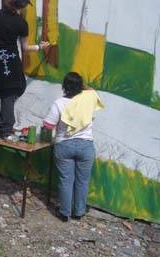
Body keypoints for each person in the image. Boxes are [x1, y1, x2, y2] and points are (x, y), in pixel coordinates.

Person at [0, 0, 49, 139]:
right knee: (8, 95)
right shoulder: (22, 24)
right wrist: (39, 47)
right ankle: (6, 130)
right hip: (11, 63)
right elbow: (25, 48)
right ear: (24, 6)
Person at [43, 72, 104, 222]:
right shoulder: (88, 100)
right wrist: (80, 85)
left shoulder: (59, 103)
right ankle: (79, 212)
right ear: (81, 87)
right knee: (82, 181)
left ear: (64, 86)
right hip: (86, 146)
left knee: (66, 180)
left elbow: (48, 125)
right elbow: (92, 91)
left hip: (65, 145)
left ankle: (64, 213)